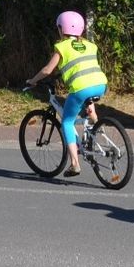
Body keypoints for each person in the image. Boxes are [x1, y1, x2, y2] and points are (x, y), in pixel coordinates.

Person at [26, 10, 108, 178]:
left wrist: (33, 80)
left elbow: (48, 70)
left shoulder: (62, 46)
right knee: (87, 99)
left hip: (81, 88)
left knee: (67, 122)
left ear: (61, 29)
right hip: (100, 84)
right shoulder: (90, 45)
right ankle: (96, 125)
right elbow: (84, 68)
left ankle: (74, 164)